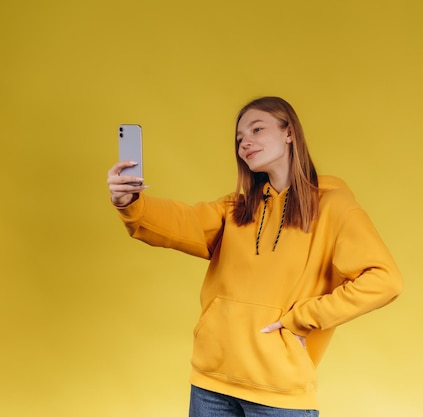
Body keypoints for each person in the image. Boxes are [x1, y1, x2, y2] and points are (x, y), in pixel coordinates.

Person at [107, 96, 403, 417]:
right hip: (211, 384)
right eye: (239, 138)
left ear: (289, 133)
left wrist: (301, 318)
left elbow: (384, 280)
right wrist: (130, 203)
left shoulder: (333, 207)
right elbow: (181, 222)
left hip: (278, 392)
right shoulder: (237, 209)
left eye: (257, 129)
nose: (245, 143)